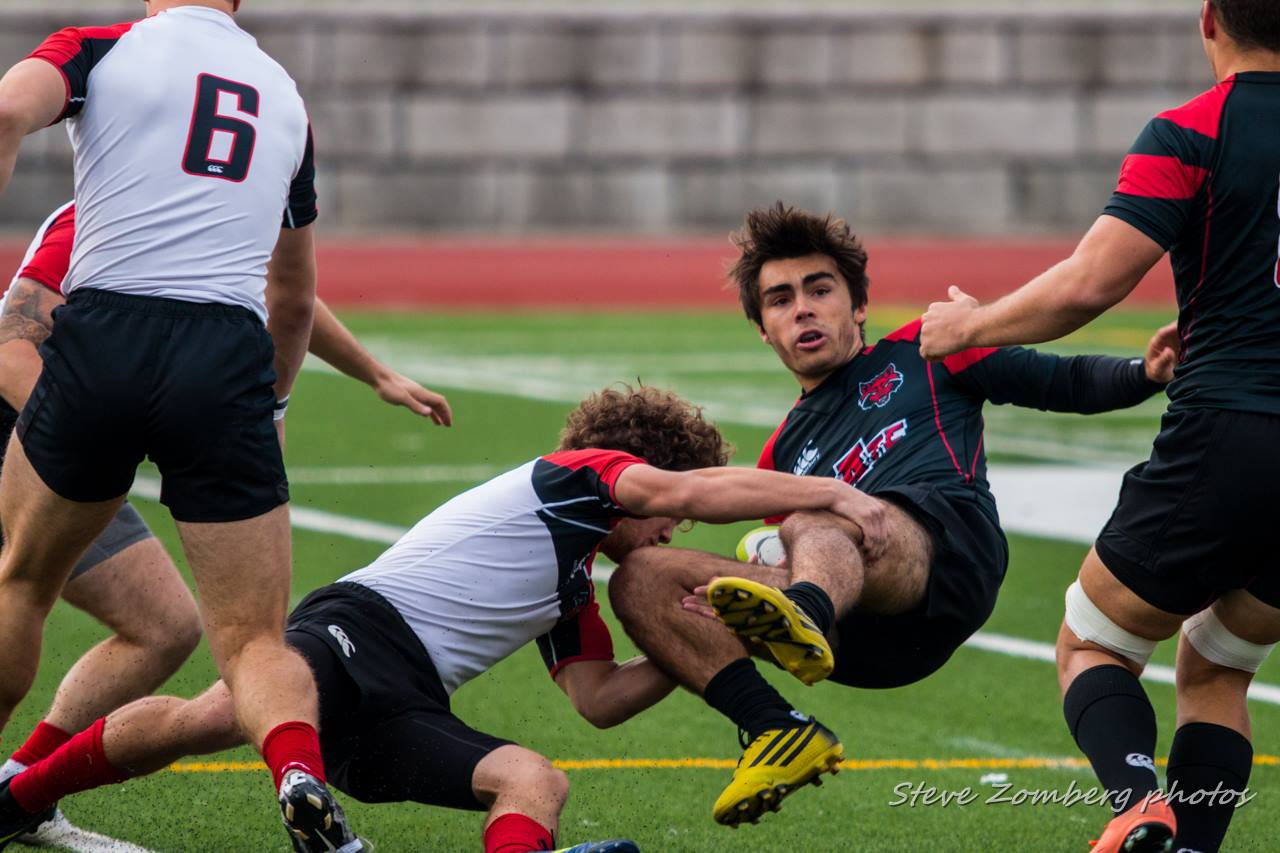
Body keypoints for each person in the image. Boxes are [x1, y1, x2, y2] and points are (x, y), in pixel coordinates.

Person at [0, 386, 878, 853]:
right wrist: (831, 491)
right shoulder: (572, 478)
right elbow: (692, 492)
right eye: (665, 516)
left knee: (536, 780)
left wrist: (692, 633)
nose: (671, 531)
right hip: (357, 625)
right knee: (211, 715)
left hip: (407, 703)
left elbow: (598, 698)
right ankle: (18, 796)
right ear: (635, 471)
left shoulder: (573, 582)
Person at [607, 202, 1179, 828]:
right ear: (763, 330)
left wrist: (1144, 373)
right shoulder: (781, 452)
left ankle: (805, 612)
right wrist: (695, 612)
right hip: (865, 639)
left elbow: (1062, 382)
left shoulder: (924, 350)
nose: (801, 307)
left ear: (857, 306)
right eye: (779, 299)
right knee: (642, 578)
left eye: (819, 289)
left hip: (947, 558)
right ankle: (776, 727)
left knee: (812, 512)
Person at [919, 3, 1280, 851]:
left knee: (1095, 638)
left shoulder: (1191, 131)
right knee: (1220, 664)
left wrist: (968, 327)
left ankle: (1137, 804)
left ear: (1209, 20)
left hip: (1227, 429)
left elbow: (1090, 282)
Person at [0, 2, 356, 846]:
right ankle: (299, 769)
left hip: (103, 337)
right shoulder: (283, 97)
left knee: (23, 582)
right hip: (224, 353)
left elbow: (10, 108)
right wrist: (266, 405)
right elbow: (294, 299)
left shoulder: (102, 48)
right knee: (254, 636)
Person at [0, 200, 452, 846]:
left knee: (165, 627)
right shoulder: (103, 208)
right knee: (24, 593)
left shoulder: (197, 208)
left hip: (80, 435)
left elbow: (285, 294)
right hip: (27, 438)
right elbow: (10, 347)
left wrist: (375, 373)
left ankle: (17, 782)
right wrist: (98, 434)